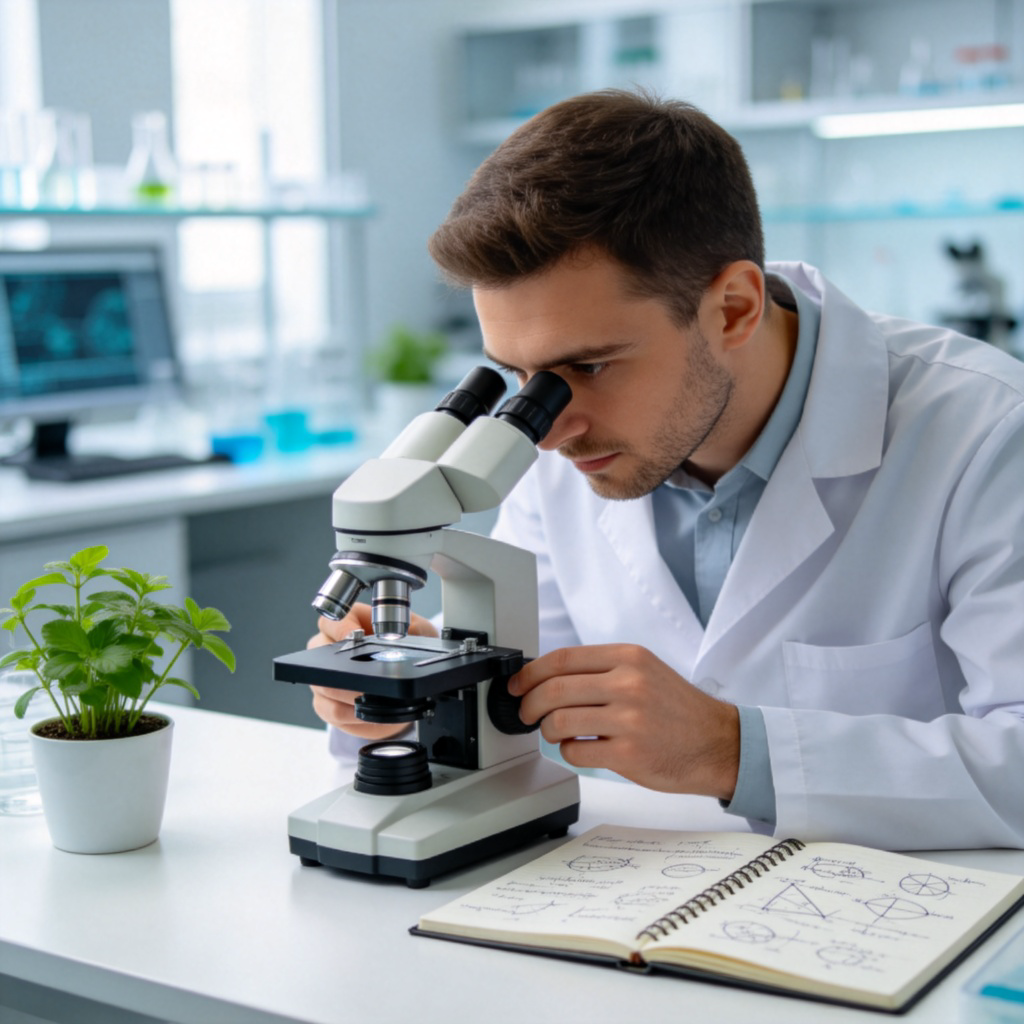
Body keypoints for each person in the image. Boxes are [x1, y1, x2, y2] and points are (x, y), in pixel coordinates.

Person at [310, 89, 1024, 851]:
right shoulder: (564, 450)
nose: (549, 428)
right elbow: (529, 704)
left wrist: (731, 749)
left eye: (586, 364)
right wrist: (417, 695)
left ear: (733, 309)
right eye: (517, 377)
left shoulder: (988, 434)